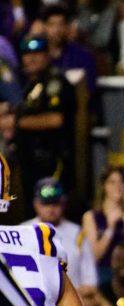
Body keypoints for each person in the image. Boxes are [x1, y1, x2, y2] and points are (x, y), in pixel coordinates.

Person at [14, 36, 74, 204]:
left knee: (51, 212)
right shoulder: (30, 85)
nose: (31, 58)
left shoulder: (56, 82)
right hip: (30, 161)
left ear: (48, 55)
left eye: (38, 53)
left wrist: (16, 123)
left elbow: (56, 119)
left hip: (52, 161)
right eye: (26, 54)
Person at [24, 178, 97, 288]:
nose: (51, 208)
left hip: (71, 299)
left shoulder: (78, 233)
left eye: (55, 203)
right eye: (46, 204)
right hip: (32, 301)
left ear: (63, 203)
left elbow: (90, 282)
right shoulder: (22, 231)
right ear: (36, 204)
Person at [82, 166, 124, 284]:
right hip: (102, 275)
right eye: (112, 182)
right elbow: (95, 255)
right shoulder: (91, 217)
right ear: (104, 186)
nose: (118, 186)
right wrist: (110, 227)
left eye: (121, 182)